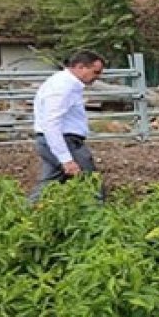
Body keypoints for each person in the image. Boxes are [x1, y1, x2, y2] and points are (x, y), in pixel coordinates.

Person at [28, 50, 107, 203]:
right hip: (65, 142)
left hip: (55, 141)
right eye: (95, 72)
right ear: (80, 67)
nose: (98, 77)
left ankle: (24, 218)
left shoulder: (64, 83)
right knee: (91, 184)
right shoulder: (62, 87)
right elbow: (51, 123)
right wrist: (66, 159)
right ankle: (99, 219)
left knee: (49, 184)